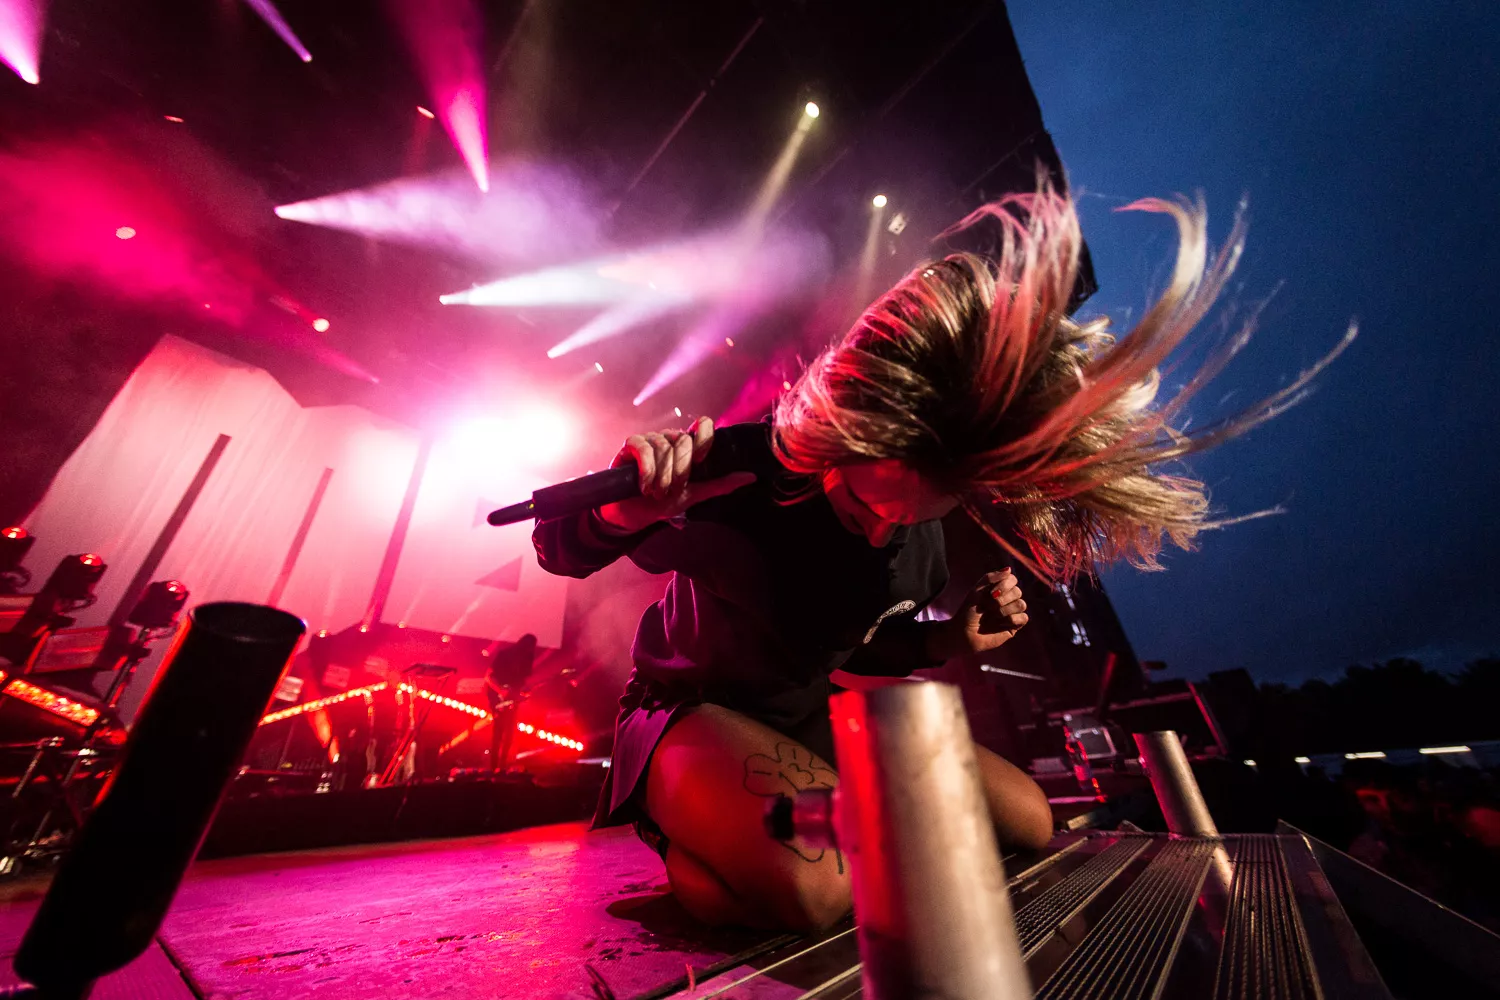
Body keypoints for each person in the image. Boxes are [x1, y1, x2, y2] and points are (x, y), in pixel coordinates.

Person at [533, 185, 1349, 931]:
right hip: (687, 713)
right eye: (862, 506)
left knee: (1027, 818)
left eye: (909, 515)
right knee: (820, 882)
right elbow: (552, 546)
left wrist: (953, 637)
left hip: (805, 720)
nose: (881, 529)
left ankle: (774, 833)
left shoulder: (918, 533)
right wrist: (618, 511)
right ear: (843, 437)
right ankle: (688, 834)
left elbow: (853, 641)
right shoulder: (741, 469)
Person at [485, 633, 536, 773]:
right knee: (498, 733)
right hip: (498, 698)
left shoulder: (527, 659)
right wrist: (501, 691)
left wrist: (525, 692)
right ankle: (493, 767)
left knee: (509, 734)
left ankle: (502, 766)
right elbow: (488, 676)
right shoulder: (505, 655)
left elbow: (522, 681)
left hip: (512, 699)